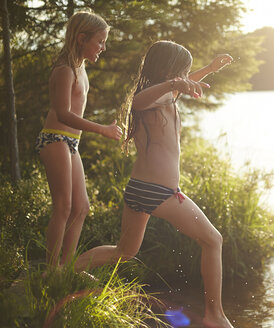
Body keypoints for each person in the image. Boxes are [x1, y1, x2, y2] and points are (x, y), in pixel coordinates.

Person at [74, 40, 234, 328]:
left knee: (124, 252)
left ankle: (67, 269)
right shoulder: (150, 99)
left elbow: (175, 88)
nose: (185, 78)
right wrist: (177, 84)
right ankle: (215, 316)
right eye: (181, 72)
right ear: (169, 70)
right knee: (213, 240)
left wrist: (209, 69)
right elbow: (140, 101)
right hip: (157, 192)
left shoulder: (166, 96)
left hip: (140, 188)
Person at [35, 11, 122, 268]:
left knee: (81, 207)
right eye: (100, 41)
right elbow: (63, 114)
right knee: (63, 207)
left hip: (70, 142)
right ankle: (52, 273)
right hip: (54, 138)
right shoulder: (64, 69)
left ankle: (66, 268)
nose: (103, 48)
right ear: (82, 38)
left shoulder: (81, 68)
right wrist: (102, 129)